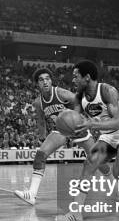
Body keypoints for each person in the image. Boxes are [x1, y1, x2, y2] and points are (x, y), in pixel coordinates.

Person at [55, 60, 119, 221]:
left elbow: (116, 121)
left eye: (76, 76)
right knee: (89, 165)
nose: (73, 80)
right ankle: (75, 213)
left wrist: (92, 124)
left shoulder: (107, 91)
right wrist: (71, 131)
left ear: (87, 77)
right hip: (106, 135)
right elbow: (77, 121)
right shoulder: (80, 96)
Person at [14, 68, 111, 206]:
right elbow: (41, 122)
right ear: (37, 84)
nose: (45, 82)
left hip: (77, 128)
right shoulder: (38, 103)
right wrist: (43, 139)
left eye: (47, 78)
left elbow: (80, 103)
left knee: (98, 161)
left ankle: (116, 185)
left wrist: (76, 117)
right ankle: (31, 194)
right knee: (40, 155)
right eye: (41, 80)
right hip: (60, 130)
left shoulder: (62, 93)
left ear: (51, 81)